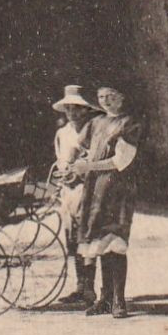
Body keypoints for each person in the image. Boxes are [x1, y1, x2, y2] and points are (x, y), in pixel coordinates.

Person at [69, 85, 145, 319]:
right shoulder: (96, 123)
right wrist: (74, 166)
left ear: (122, 97)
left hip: (117, 188)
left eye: (111, 96)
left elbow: (120, 160)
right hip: (95, 188)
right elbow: (82, 149)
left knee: (115, 242)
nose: (106, 101)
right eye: (102, 97)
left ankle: (119, 301)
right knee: (101, 242)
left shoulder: (129, 123)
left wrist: (89, 166)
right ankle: (105, 298)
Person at [51, 85, 102, 306]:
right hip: (67, 191)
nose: (73, 113)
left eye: (77, 108)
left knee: (87, 237)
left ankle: (89, 289)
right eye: (69, 108)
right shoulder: (62, 133)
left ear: (85, 110)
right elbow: (60, 159)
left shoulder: (94, 131)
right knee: (71, 238)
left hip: (86, 188)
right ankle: (79, 286)